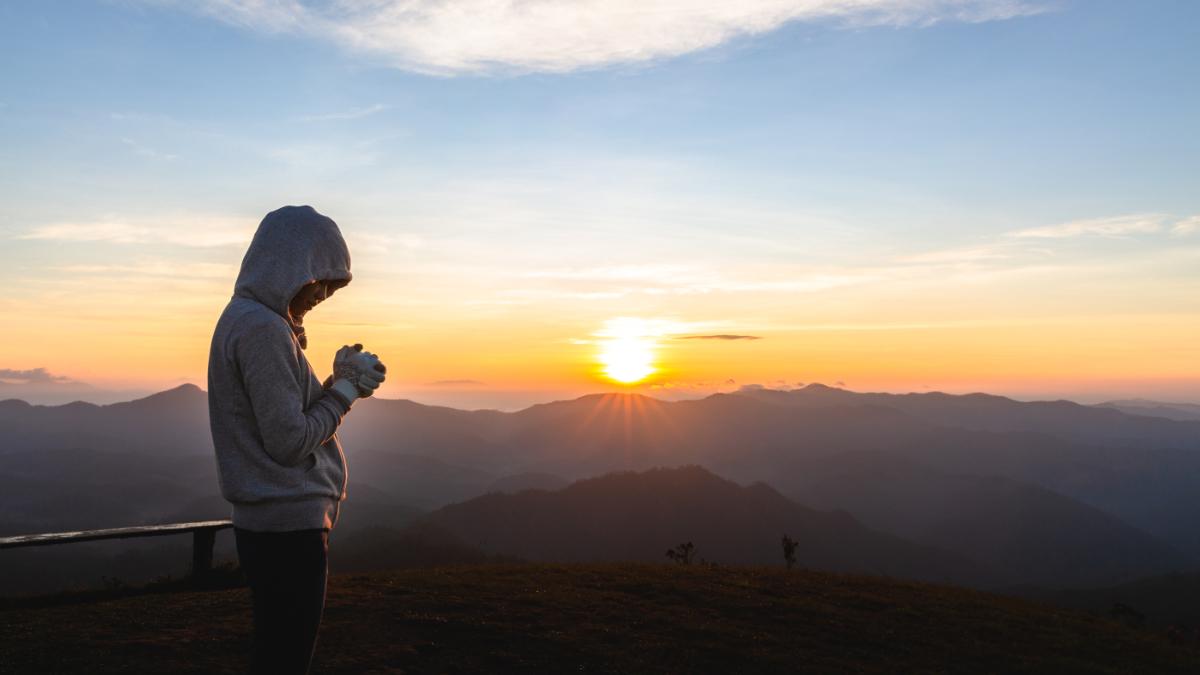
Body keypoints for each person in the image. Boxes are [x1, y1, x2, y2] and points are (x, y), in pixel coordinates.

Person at [207, 205, 387, 674]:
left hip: (268, 522)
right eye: (322, 278)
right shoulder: (263, 330)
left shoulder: (245, 320)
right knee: (286, 655)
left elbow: (282, 418)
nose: (325, 292)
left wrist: (333, 383)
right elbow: (289, 441)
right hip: (287, 526)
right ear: (292, 266)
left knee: (275, 647)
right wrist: (346, 392)